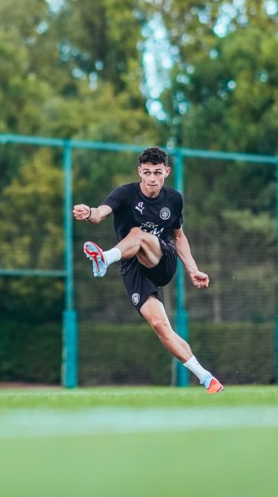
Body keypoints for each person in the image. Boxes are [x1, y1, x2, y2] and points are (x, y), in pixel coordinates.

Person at [73, 147, 224, 393]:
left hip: (162, 258)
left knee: (137, 234)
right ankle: (207, 378)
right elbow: (100, 214)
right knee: (160, 326)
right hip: (133, 267)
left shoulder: (174, 199)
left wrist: (192, 269)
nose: (152, 178)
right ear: (139, 172)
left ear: (166, 171)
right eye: (146, 173)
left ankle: (104, 259)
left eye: (157, 172)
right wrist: (89, 211)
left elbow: (178, 236)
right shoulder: (125, 193)